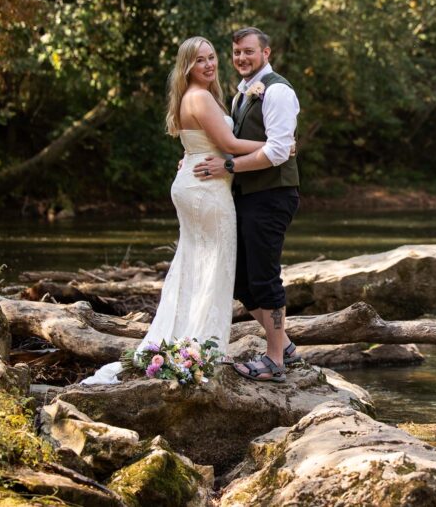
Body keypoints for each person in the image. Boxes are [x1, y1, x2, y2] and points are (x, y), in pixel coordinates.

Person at [81, 36, 266, 385]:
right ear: (187, 66)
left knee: (193, 265)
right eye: (200, 60)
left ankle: (184, 345)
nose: (209, 65)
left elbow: (208, 141)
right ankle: (199, 350)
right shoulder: (198, 97)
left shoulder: (196, 96)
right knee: (212, 267)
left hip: (197, 183)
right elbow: (228, 145)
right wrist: (276, 147)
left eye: (212, 58)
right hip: (206, 189)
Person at [193, 26, 300, 383]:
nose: (242, 58)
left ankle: (274, 361)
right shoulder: (242, 94)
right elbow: (236, 142)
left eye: (249, 52)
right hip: (247, 197)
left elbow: (277, 151)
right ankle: (283, 345)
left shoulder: (278, 91)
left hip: (272, 196)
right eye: (237, 52)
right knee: (241, 280)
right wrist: (196, 156)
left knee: (265, 277)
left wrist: (227, 166)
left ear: (266, 54)